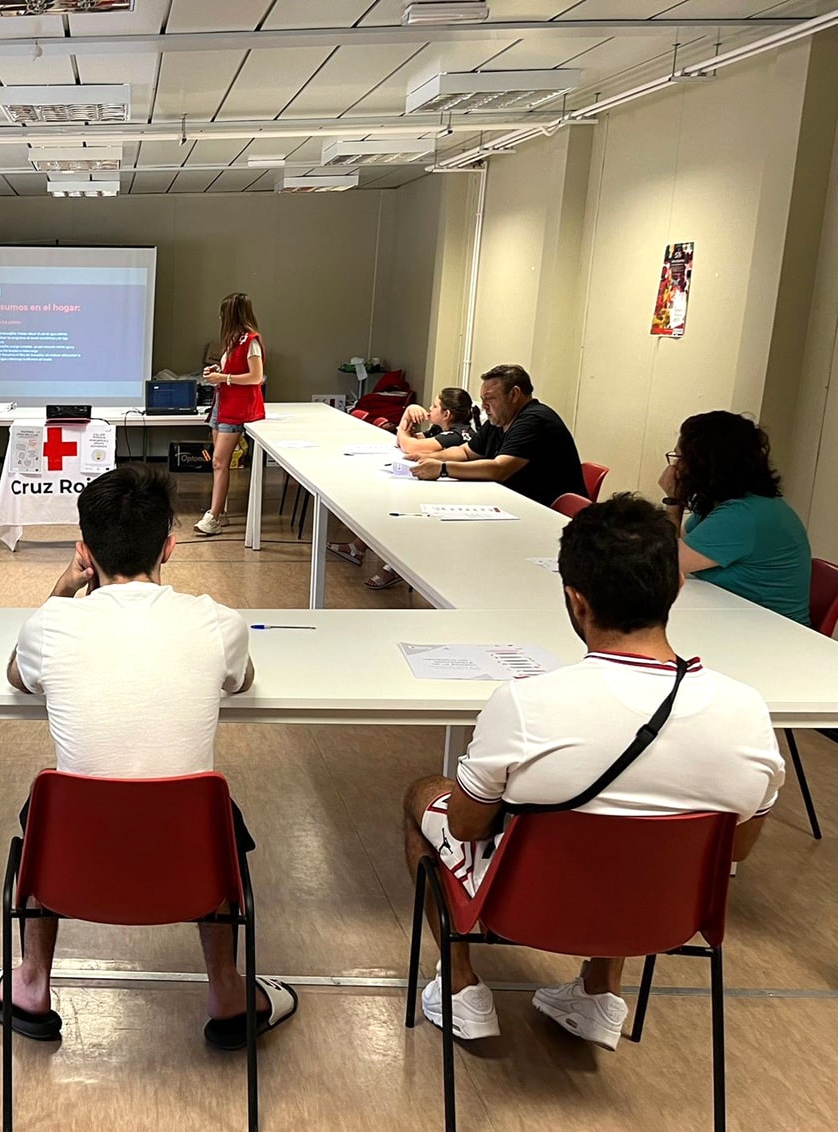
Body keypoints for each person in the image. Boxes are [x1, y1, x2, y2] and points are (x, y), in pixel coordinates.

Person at [402, 494, 783, 1049]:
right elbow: (737, 848)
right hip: (664, 915)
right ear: (677, 588)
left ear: (576, 601)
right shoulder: (748, 710)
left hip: (522, 910)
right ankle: (599, 993)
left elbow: (465, 826)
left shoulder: (526, 703)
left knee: (423, 796)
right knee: (645, 823)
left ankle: (461, 987)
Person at [0, 464, 298, 1050]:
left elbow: (18, 675)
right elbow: (241, 683)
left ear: (84, 550)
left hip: (75, 848)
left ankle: (33, 984)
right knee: (216, 813)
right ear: (170, 545)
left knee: (42, 812)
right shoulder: (219, 621)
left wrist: (64, 588)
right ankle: (224, 987)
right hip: (191, 850)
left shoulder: (51, 624)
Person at [659, 410, 811, 626]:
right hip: (738, 619)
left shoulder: (743, 514)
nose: (675, 468)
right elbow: (678, 547)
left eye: (680, 458)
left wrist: (674, 500)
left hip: (772, 633)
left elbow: (666, 562)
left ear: (706, 463)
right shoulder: (729, 504)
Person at [330, 388, 478, 589]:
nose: (429, 409)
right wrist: (406, 415)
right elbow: (403, 441)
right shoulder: (439, 430)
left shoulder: (456, 434)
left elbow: (410, 447)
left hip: (448, 498)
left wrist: (407, 415)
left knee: (399, 511)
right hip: (433, 487)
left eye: (434, 406)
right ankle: (359, 548)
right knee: (383, 504)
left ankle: (394, 566)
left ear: (447, 414)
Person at [409, 365, 585, 508]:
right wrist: (426, 457)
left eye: (490, 398)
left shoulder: (534, 420)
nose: (484, 406)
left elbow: (499, 469)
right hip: (516, 503)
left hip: (549, 513)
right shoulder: (499, 419)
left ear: (514, 394)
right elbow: (466, 452)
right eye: (482, 399)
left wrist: (442, 469)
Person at [195, 292, 266, 537]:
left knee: (219, 462)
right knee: (218, 464)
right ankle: (219, 512)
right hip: (221, 404)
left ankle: (214, 516)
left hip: (235, 409)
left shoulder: (251, 342)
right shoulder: (233, 341)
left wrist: (223, 377)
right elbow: (235, 370)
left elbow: (256, 377)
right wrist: (218, 371)